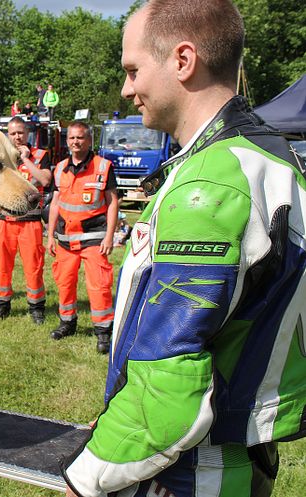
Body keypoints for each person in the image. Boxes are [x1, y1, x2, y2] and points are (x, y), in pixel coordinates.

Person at [61, 2, 306, 496]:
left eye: (133, 70)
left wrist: (87, 475)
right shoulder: (263, 156)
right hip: (234, 454)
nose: (127, 89)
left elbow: (171, 383)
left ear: (183, 59)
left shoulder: (210, 184)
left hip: (194, 468)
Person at [46, 122, 117, 353]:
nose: (75, 142)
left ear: (89, 141)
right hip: (65, 238)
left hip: (94, 238)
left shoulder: (103, 167)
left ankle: (103, 332)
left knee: (99, 285)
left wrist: (109, 236)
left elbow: (112, 202)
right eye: (71, 138)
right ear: (67, 141)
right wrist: (50, 235)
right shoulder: (60, 168)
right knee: (64, 283)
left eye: (80, 138)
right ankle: (67, 323)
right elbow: (55, 203)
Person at [0, 116, 52, 324]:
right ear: (8, 135)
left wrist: (25, 159)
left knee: (34, 266)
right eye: (13, 133)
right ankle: (2, 306)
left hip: (30, 222)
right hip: (2, 220)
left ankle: (36, 308)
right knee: (1, 266)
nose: (17, 136)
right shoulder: (0, 158)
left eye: (21, 132)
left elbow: (45, 180)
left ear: (28, 133)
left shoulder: (40, 155)